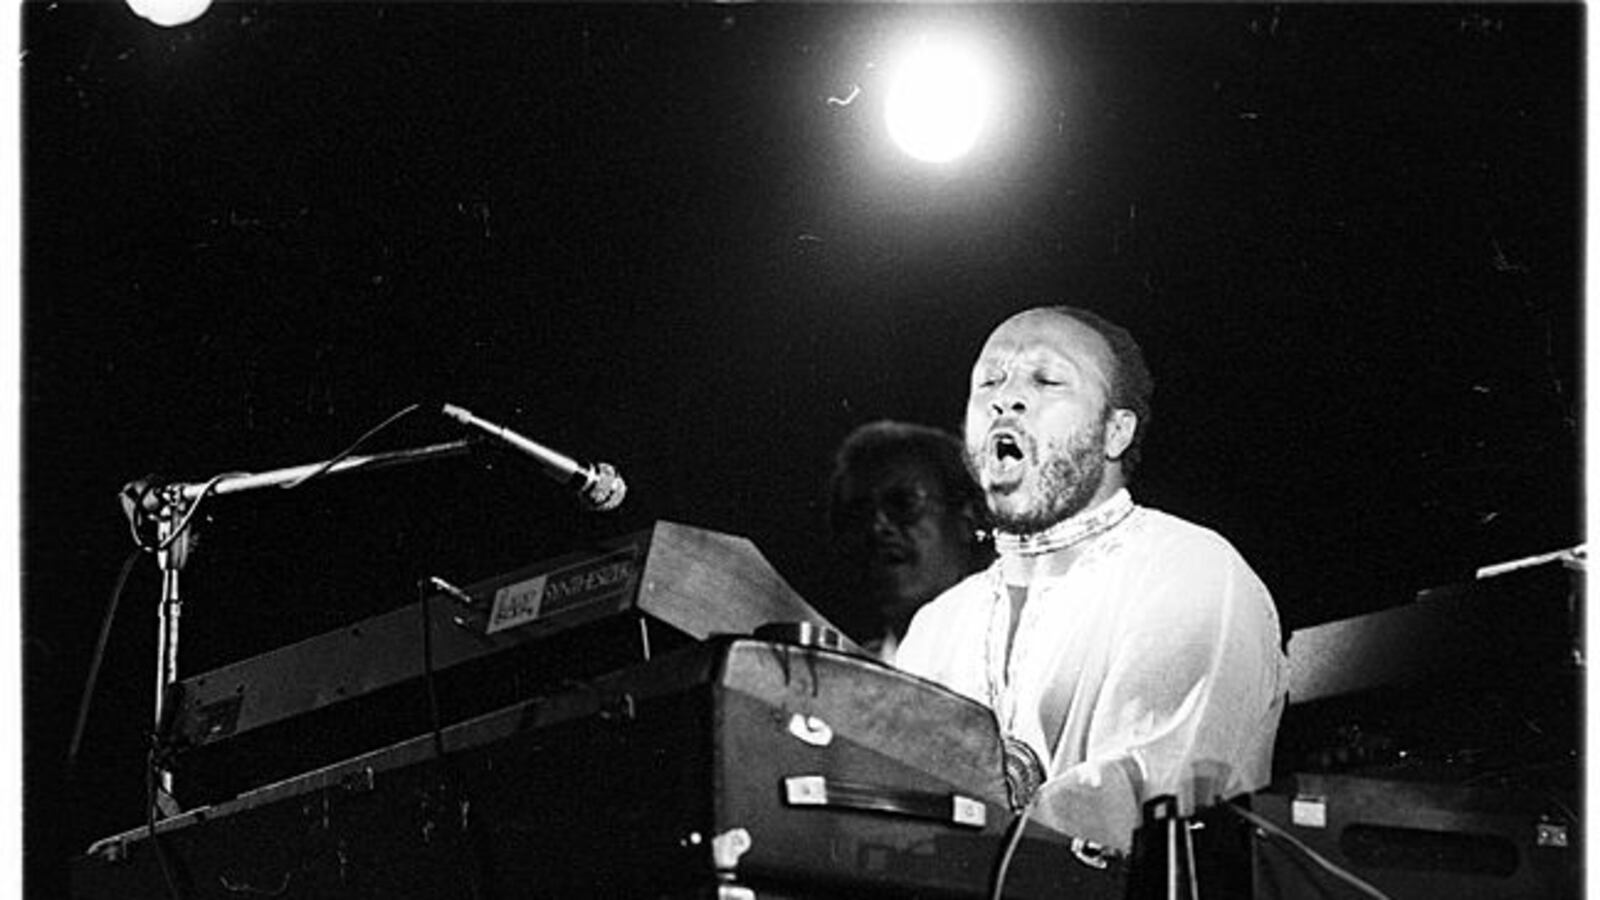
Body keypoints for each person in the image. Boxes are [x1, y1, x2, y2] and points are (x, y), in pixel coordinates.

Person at [895, 306, 1287, 853]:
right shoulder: (938, 626)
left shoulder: (1188, 569)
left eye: (1046, 379)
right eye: (988, 381)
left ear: (1115, 432)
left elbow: (1143, 798)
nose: (1004, 398)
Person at [827, 420, 991, 664]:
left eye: (903, 503)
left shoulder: (1015, 661)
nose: (877, 527)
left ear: (966, 520)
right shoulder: (842, 678)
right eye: (858, 512)